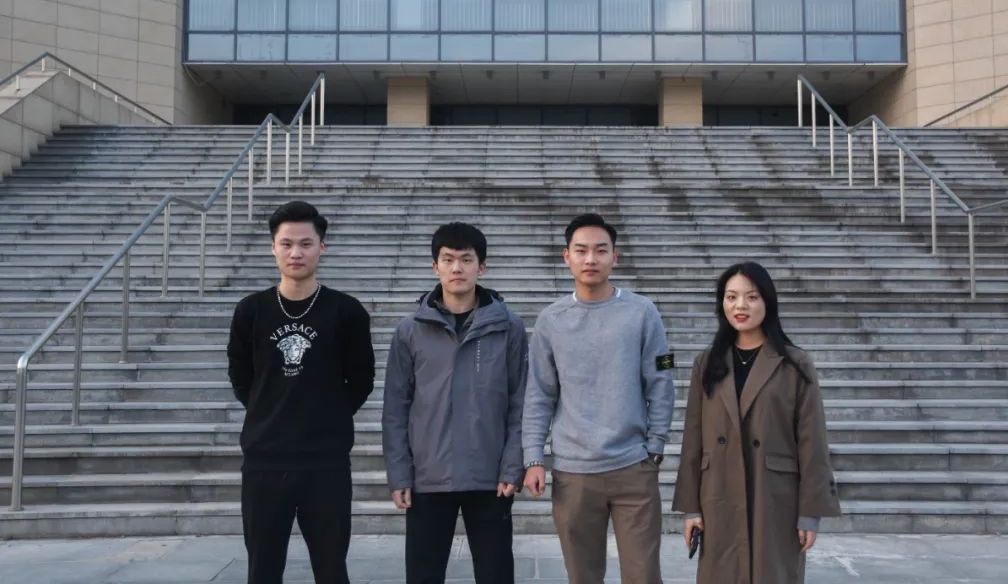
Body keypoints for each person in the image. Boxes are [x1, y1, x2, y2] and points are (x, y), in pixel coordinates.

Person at [226, 200, 375, 584]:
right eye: (287, 243)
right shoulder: (251, 311)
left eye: (306, 243)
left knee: (331, 568)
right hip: (265, 459)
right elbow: (241, 376)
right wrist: (268, 411)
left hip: (325, 462)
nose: (296, 252)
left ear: (321, 247)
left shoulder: (346, 311)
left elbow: (361, 380)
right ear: (273, 247)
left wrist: (329, 416)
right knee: (263, 568)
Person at [522, 212, 675, 584]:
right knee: (583, 575)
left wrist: (655, 445)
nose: (590, 259)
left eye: (600, 250)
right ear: (567, 257)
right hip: (573, 472)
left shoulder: (643, 312)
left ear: (614, 257)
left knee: (643, 575)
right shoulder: (551, 320)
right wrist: (533, 457)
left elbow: (662, 379)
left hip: (633, 467)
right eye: (581, 250)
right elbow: (539, 393)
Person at [672, 261, 840, 584]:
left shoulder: (794, 363)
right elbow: (693, 437)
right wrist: (691, 508)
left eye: (751, 297)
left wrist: (810, 512)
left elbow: (812, 441)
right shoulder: (707, 363)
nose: (740, 306)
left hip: (774, 495)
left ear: (767, 301)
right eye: (731, 297)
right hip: (718, 493)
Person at [382, 222, 528, 584]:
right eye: (448, 259)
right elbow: (396, 408)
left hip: (490, 477)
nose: (457, 268)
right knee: (423, 575)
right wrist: (400, 473)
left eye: (466, 259)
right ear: (435, 267)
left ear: (482, 266)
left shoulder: (508, 327)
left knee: (496, 574)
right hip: (427, 477)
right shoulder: (410, 330)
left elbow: (521, 403)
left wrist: (513, 466)